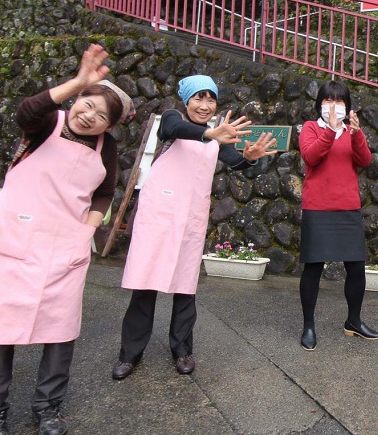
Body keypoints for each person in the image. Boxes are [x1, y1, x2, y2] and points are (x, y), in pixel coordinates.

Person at [0, 44, 133, 435]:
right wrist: (78, 80)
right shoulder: (46, 123)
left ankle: (48, 409)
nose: (88, 116)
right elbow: (27, 110)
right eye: (86, 104)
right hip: (14, 239)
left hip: (66, 247)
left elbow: (105, 192)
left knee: (60, 330)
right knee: (2, 326)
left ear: (108, 126)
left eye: (100, 116)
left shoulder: (105, 147)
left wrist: (87, 230)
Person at [112, 75, 277, 380]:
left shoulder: (217, 136)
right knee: (146, 283)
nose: (204, 105)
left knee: (185, 285)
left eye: (210, 99)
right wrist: (209, 132)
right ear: (186, 101)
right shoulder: (174, 117)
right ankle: (129, 354)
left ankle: (182, 350)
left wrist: (249, 159)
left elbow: (233, 159)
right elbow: (172, 130)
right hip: (159, 213)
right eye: (198, 99)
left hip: (190, 217)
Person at [298, 80, 378, 351]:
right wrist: (330, 132)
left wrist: (356, 134)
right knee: (313, 268)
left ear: (348, 106)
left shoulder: (352, 131)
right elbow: (311, 157)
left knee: (356, 268)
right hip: (317, 208)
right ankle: (308, 325)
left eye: (340, 101)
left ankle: (353, 322)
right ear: (319, 103)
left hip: (347, 208)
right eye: (329, 100)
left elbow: (364, 160)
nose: (334, 106)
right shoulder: (311, 128)